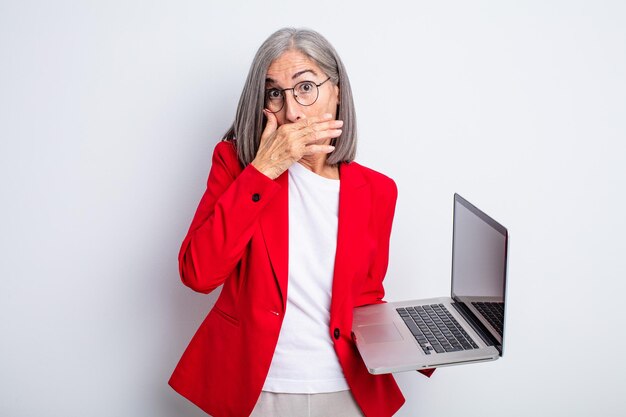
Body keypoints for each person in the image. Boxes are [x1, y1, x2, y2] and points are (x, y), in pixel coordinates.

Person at [169, 27, 431, 417]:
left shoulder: (378, 191)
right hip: (259, 389)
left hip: (348, 388)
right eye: (275, 92)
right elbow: (198, 273)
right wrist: (265, 168)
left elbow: (363, 300)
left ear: (337, 91)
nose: (291, 111)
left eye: (305, 87)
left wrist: (424, 340)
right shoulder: (238, 166)